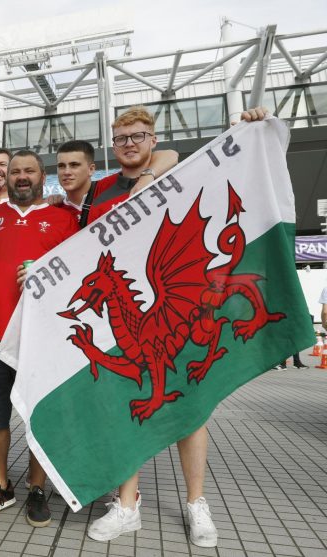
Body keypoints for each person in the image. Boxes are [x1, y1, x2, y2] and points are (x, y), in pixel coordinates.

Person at [86, 105, 271, 547]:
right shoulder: (102, 190)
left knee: (192, 407)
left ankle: (196, 504)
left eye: (138, 135)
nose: (129, 143)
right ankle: (127, 504)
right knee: (133, 403)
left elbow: (215, 158)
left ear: (152, 137)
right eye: (121, 138)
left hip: (178, 307)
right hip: (129, 318)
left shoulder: (175, 169)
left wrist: (246, 128)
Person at [0, 150, 78, 528]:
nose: (21, 177)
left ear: (43, 176)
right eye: (15, 171)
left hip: (44, 334)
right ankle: (0, 485)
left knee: (40, 413)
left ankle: (37, 487)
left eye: (29, 171)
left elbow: (79, 272)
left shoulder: (64, 218)